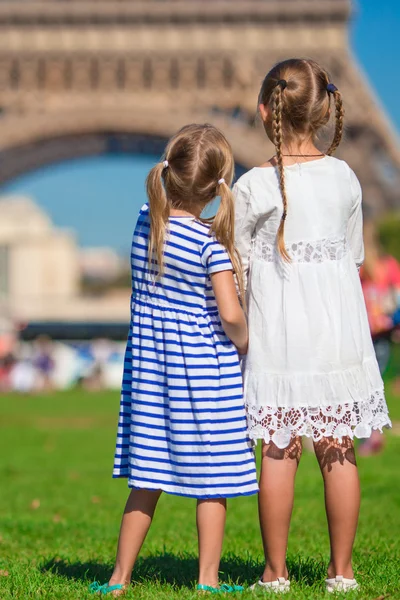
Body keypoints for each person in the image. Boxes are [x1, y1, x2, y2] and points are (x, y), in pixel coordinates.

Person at [233, 59, 391, 594]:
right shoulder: (345, 177)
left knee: (278, 454)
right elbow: (351, 259)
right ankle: (341, 572)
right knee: (338, 448)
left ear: (263, 111)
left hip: (279, 335)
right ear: (325, 109)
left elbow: (236, 267)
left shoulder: (251, 185)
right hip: (335, 335)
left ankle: (275, 573)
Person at [89, 124, 258, 597]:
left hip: (148, 372)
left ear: (166, 176)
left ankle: (118, 578)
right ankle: (207, 580)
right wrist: (245, 342)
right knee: (212, 479)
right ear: (219, 185)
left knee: (145, 478)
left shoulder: (147, 222)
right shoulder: (211, 247)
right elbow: (229, 314)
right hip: (204, 372)